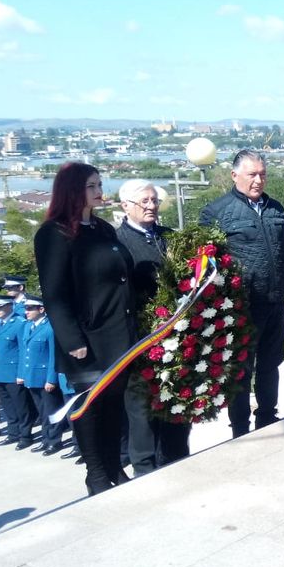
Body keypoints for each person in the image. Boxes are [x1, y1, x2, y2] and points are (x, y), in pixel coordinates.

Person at [35, 162, 136, 494]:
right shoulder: (55, 233)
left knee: (112, 408)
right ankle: (95, 473)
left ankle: (113, 466)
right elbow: (54, 292)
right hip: (87, 339)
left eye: (99, 184)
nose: (98, 191)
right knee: (89, 408)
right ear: (73, 190)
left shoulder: (103, 229)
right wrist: (71, 339)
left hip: (118, 334)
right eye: (92, 185)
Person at [200, 150, 284, 437]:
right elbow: (206, 265)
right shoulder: (216, 212)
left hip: (274, 302)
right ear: (235, 176)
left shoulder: (275, 208)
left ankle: (268, 416)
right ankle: (241, 427)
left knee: (271, 365)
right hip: (241, 307)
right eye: (252, 175)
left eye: (262, 174)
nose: (258, 180)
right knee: (240, 370)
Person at [116, 179, 189, 474]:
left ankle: (176, 457)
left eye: (154, 201)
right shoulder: (117, 241)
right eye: (143, 201)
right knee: (142, 406)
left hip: (177, 335)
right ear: (125, 206)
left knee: (175, 399)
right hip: (141, 337)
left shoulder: (169, 237)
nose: (151, 206)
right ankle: (144, 466)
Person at [17, 294, 63, 455]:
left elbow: (53, 356)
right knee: (41, 411)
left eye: (30, 308)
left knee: (50, 411)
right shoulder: (28, 327)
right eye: (25, 308)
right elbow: (25, 353)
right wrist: (22, 374)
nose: (26, 312)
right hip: (32, 376)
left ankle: (54, 441)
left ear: (41, 309)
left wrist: (51, 379)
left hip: (45, 378)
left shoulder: (50, 328)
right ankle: (45, 439)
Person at [0, 294, 28, 448]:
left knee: (20, 406)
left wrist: (21, 373)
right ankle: (13, 433)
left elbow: (23, 350)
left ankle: (25, 436)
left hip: (13, 371)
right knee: (8, 405)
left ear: (9, 306)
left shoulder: (19, 323)